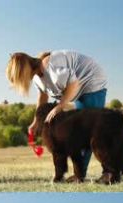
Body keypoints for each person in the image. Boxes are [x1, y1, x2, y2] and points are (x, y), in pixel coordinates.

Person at [6, 50, 107, 178]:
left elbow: (73, 83)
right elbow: (43, 96)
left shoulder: (49, 67)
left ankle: (108, 173)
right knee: (79, 134)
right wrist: (37, 120)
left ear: (23, 72)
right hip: (79, 89)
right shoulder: (38, 77)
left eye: (18, 79)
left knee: (89, 132)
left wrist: (60, 106)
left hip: (92, 80)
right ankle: (79, 175)